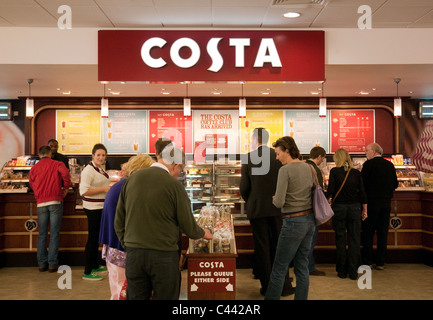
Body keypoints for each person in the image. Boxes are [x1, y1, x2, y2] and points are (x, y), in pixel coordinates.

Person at [114, 145, 213, 300]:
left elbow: (118, 221)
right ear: (176, 166)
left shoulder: (132, 180)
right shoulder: (174, 186)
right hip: (163, 257)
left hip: (134, 255)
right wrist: (203, 233)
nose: (179, 174)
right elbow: (189, 226)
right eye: (181, 170)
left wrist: (129, 245)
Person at [240, 128, 294, 296]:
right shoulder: (279, 156)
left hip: (257, 210)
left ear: (254, 140)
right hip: (278, 208)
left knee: (262, 248)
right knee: (280, 247)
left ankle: (267, 287)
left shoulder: (248, 158)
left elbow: (244, 187)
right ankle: (283, 286)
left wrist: (252, 200)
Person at [265, 136, 316, 300]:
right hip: (309, 221)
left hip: (293, 222)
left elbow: (279, 202)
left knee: (279, 267)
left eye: (278, 153)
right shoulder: (309, 167)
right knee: (302, 266)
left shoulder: (285, 170)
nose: (277, 157)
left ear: (287, 150)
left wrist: (274, 198)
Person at [99, 154, 155, 299]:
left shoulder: (119, 186)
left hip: (112, 245)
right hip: (121, 248)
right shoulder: (130, 187)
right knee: (124, 291)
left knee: (117, 289)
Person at [327, 148, 368, 280]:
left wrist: (326, 200)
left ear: (337, 158)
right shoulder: (356, 172)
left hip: (339, 209)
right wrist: (365, 210)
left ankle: (342, 271)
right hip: (354, 209)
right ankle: (353, 271)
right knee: (354, 240)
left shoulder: (334, 171)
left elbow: (330, 191)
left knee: (340, 240)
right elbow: (362, 193)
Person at [29, 145, 71, 273]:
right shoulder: (57, 163)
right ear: (50, 154)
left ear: (39, 154)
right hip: (55, 201)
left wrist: (38, 193)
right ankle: (53, 264)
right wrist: (66, 188)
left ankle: (42, 264)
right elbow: (66, 173)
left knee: (42, 234)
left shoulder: (34, 168)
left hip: (41, 203)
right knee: (54, 233)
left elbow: (31, 183)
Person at [361, 142, 398, 270]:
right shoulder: (389, 165)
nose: (365, 153)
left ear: (374, 151)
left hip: (371, 204)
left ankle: (367, 261)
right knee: (383, 233)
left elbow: (362, 185)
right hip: (385, 203)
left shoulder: (368, 165)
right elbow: (395, 184)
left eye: (367, 151)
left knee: (368, 233)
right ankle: (381, 262)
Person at [79, 143, 111, 281]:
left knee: (97, 237)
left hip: (99, 207)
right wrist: (104, 189)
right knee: (92, 238)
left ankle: (94, 264)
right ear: (92, 155)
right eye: (98, 155)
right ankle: (87, 270)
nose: (101, 157)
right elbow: (83, 191)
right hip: (92, 208)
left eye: (103, 155)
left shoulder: (99, 169)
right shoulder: (88, 170)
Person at [305, 146, 327, 276]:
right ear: (319, 157)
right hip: (313, 209)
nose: (322, 161)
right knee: (311, 240)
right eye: (322, 159)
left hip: (303, 208)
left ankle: (304, 266)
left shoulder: (302, 166)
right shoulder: (315, 169)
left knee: (305, 240)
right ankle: (310, 267)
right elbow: (319, 190)